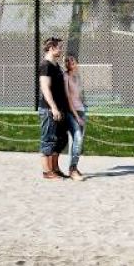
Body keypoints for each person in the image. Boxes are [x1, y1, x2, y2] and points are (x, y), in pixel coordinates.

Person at [37, 38, 71, 180]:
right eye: (59, 47)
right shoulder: (45, 65)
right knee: (48, 139)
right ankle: (47, 171)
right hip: (49, 109)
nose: (61, 50)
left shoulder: (55, 65)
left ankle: (55, 168)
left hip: (61, 108)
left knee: (61, 139)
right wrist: (54, 108)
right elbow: (45, 88)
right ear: (51, 48)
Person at [63, 53, 89, 181]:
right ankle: (72, 170)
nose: (71, 62)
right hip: (71, 112)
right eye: (68, 61)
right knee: (77, 138)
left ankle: (74, 167)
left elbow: (81, 95)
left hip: (82, 110)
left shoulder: (78, 77)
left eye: (73, 60)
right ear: (66, 64)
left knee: (79, 141)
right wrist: (76, 116)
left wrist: (85, 108)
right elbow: (67, 98)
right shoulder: (65, 76)